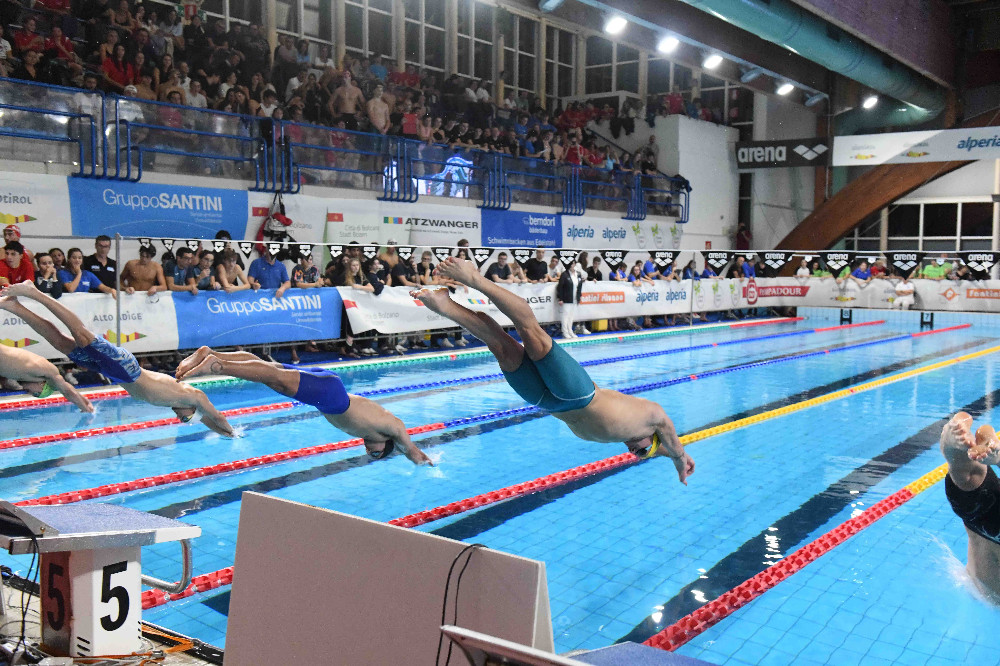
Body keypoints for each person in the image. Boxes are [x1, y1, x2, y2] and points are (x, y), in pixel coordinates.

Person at [410, 259, 694, 484]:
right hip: (578, 395)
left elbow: (663, 446)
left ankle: (446, 306)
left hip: (546, 401)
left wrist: (667, 455)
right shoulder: (650, 416)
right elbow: (669, 435)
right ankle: (474, 278)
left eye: (639, 454)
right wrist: (680, 459)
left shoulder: (629, 432)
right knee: (530, 330)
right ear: (653, 435)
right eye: (642, 450)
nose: (633, 451)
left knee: (500, 345)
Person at [1, 282, 233, 434]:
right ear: (192, 410)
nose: (179, 418)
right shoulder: (192, 396)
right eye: (185, 419)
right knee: (80, 333)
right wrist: (233, 433)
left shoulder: (179, 403)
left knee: (61, 343)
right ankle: (34, 292)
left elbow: (207, 421)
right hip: (125, 369)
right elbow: (216, 417)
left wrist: (220, 432)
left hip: (113, 372)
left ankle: (15, 307)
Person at [176, 347, 431, 464]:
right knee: (274, 377)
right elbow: (410, 449)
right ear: (386, 445)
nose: (368, 451)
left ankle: (214, 355)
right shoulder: (391, 428)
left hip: (328, 392)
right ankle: (217, 366)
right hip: (331, 396)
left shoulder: (374, 431)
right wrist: (421, 459)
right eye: (375, 453)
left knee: (271, 372)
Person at [939, 412, 1000, 598]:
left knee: (968, 479)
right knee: (970, 481)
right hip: (983, 595)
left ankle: (958, 445)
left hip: (976, 586)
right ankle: (966, 446)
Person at [0, 332, 93, 412]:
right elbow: (66, 390)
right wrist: (84, 407)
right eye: (36, 394)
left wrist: (83, 399)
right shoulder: (47, 371)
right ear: (42, 385)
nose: (30, 393)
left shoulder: (24, 376)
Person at [557, 259, 583, 339]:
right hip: (566, 298)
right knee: (565, 316)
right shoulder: (564, 274)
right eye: (571, 264)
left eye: (574, 264)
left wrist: (579, 297)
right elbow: (560, 287)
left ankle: (570, 330)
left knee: (571, 316)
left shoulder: (578, 274)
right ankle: (565, 332)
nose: (572, 265)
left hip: (574, 299)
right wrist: (560, 298)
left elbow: (579, 287)